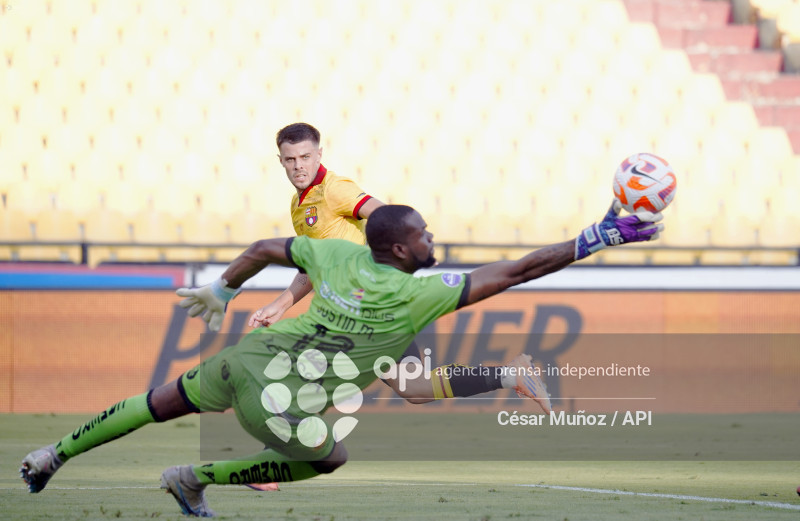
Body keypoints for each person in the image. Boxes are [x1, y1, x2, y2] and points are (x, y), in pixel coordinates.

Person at [21, 202, 663, 517]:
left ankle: (52, 454)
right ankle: (194, 478)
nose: (432, 237)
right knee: (329, 457)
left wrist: (224, 289)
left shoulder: (335, 255)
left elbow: (264, 246)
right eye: (424, 234)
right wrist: (599, 237)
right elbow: (521, 270)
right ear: (403, 252)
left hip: (248, 357)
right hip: (277, 400)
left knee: (157, 402)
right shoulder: (418, 294)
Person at [253, 123, 536, 406]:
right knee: (415, 388)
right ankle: (509, 375)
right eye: (290, 159)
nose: (298, 166)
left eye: (305, 157)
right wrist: (280, 305)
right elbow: (311, 267)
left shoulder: (334, 190)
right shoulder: (299, 204)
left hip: (363, 306)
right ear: (281, 161)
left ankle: (288, 441)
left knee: (296, 374)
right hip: (356, 309)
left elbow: (385, 217)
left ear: (319, 155)